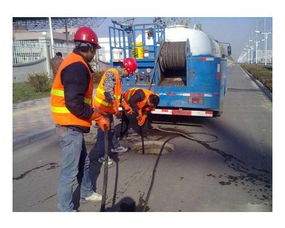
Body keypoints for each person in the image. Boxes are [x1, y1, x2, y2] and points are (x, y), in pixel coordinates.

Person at [50, 26, 110, 212]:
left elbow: (78, 101)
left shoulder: (76, 62)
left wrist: (96, 113)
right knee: (69, 171)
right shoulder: (77, 66)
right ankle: (65, 209)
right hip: (69, 127)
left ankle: (86, 191)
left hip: (73, 124)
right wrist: (97, 115)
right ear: (90, 48)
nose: (94, 53)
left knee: (83, 162)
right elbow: (74, 103)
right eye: (95, 50)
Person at [89, 58, 138, 169]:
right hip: (101, 108)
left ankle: (114, 146)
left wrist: (125, 105)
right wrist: (115, 106)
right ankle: (102, 156)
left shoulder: (118, 77)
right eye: (129, 73)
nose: (128, 75)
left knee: (110, 130)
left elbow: (117, 94)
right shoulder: (111, 73)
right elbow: (108, 91)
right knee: (103, 133)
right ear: (125, 69)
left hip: (107, 109)